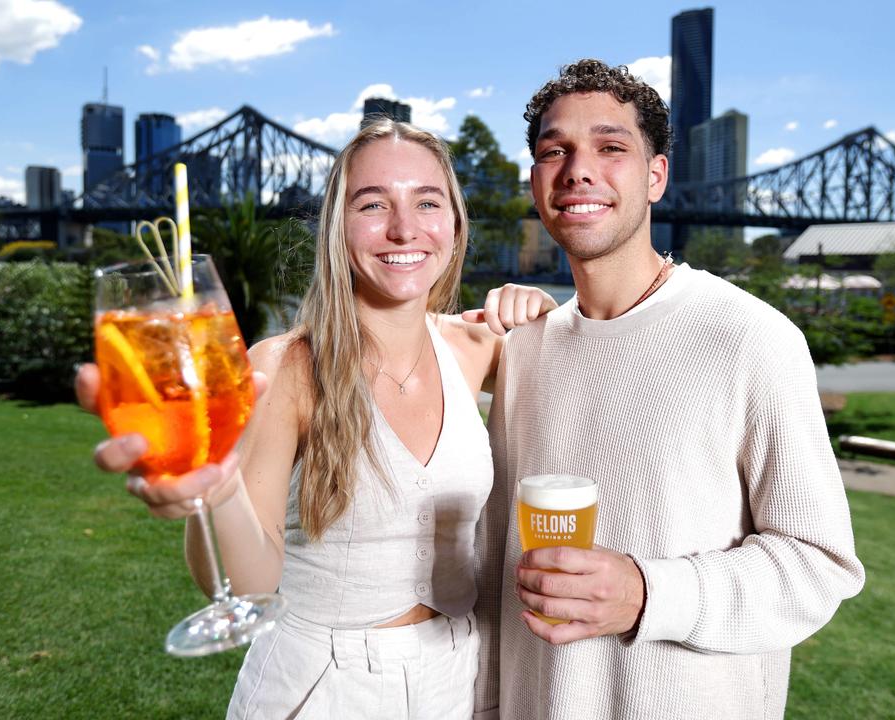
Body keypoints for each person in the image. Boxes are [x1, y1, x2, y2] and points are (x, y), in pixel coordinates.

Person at [76, 119, 555, 719]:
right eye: (373, 204)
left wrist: (546, 318)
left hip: (460, 682)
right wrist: (219, 488)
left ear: (455, 227)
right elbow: (251, 585)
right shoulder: (284, 369)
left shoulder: (480, 348)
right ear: (336, 228)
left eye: (427, 202)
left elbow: (594, 399)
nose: (404, 228)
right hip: (322, 687)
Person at [472, 59, 866, 719]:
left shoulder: (749, 337)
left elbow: (818, 565)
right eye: (553, 151)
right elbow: (494, 571)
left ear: (656, 176)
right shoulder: (523, 349)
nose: (578, 170)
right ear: (536, 181)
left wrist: (647, 593)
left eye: (611, 147)